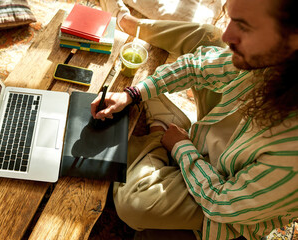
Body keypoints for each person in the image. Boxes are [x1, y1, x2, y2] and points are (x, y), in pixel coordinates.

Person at [91, 0, 298, 239]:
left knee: (134, 204)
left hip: (224, 206)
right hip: (213, 146)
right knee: (209, 35)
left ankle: (157, 135)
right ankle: (131, 25)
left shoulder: (291, 154)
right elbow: (197, 67)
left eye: (244, 26)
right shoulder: (276, 57)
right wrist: (133, 93)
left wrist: (181, 147)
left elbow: (221, 203)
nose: (229, 34)